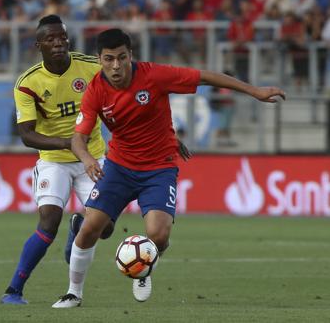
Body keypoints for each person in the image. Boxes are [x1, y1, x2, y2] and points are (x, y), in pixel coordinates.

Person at [52, 28, 285, 308]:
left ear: (130, 56)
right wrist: (88, 159)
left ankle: (142, 269)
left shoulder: (154, 75)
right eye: (109, 59)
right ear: (99, 60)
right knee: (90, 229)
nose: (116, 66)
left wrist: (254, 91)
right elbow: (78, 138)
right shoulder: (94, 92)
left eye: (122, 58)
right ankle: (73, 292)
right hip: (118, 167)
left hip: (158, 169)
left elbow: (204, 76)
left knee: (159, 236)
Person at [0, 15, 116, 305]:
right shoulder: (28, 83)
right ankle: (13, 291)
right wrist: (69, 143)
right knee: (49, 221)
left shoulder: (90, 67)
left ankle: (79, 225)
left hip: (92, 159)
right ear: (38, 44)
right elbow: (27, 135)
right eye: (50, 39)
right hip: (54, 160)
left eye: (62, 37)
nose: (58, 42)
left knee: (106, 228)